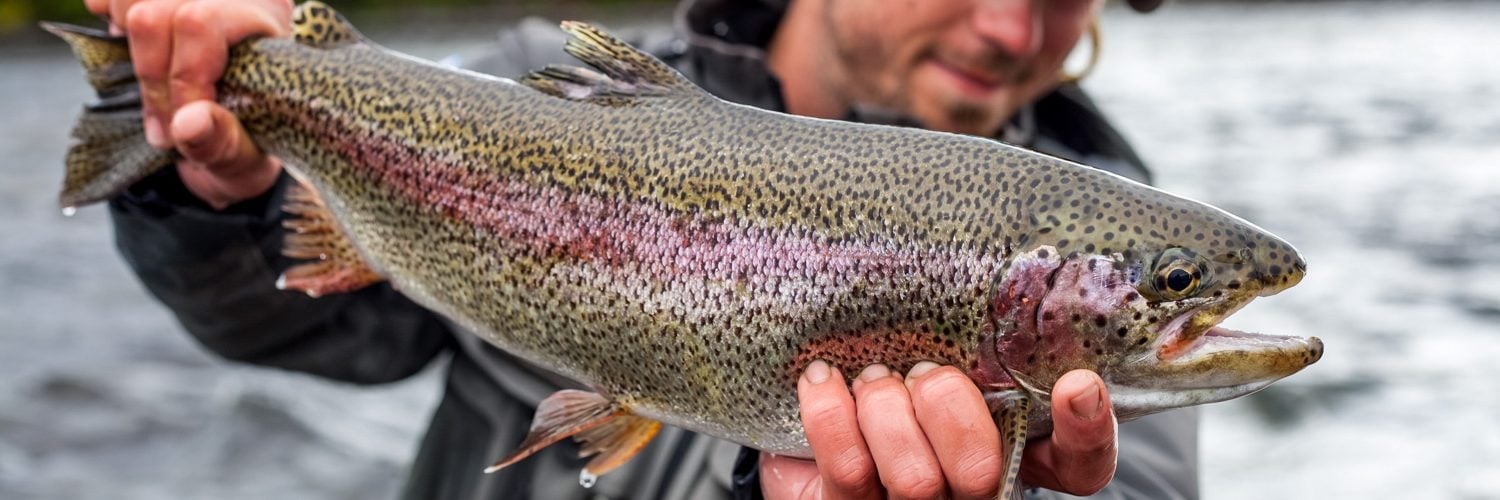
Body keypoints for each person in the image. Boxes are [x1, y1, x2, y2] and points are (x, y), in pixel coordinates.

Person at [83, 0, 1196, 498]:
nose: (1010, 28)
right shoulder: (521, 94)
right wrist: (220, 179)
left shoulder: (1118, 243)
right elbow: (293, 319)